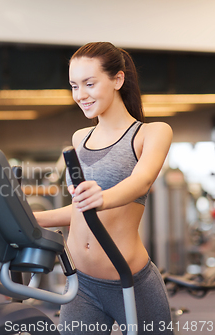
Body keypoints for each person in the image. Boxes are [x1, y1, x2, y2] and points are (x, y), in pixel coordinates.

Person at [35, 42, 173, 335]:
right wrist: (27, 217)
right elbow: (79, 209)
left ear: (117, 80)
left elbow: (142, 181)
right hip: (81, 283)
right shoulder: (79, 138)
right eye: (74, 85)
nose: (80, 95)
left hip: (130, 281)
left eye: (89, 83)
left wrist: (103, 197)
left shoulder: (152, 132)